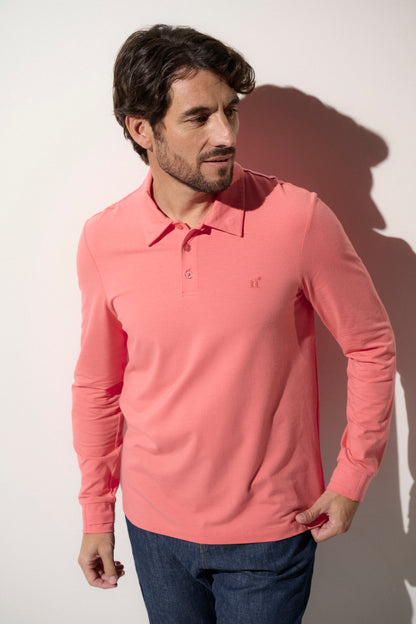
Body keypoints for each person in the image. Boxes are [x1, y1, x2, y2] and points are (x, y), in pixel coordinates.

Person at [72, 24, 396, 623]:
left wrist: (353, 477)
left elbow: (371, 345)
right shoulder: (103, 239)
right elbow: (98, 386)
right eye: (198, 118)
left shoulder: (298, 219)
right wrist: (97, 513)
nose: (225, 135)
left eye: (230, 111)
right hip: (153, 530)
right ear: (141, 129)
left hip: (269, 535)